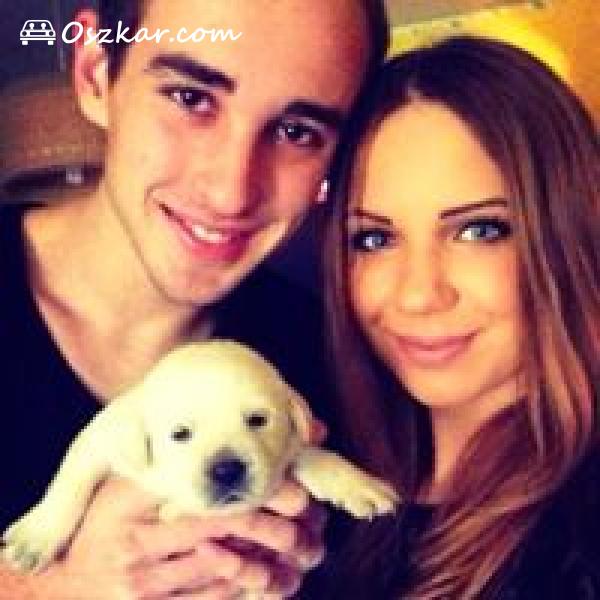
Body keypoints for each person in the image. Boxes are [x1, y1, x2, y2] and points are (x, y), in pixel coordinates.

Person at [0, 0, 389, 598]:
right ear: (96, 72)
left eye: (297, 132)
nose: (231, 191)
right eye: (191, 97)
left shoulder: (336, 357)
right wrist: (38, 590)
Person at [303, 35, 600, 598]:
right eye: (374, 239)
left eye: (478, 231)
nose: (419, 295)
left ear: (566, 236)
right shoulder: (315, 498)